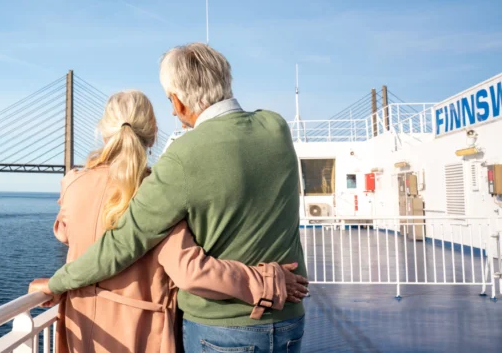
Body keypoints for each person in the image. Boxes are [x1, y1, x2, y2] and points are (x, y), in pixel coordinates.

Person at [30, 43, 308, 353]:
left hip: (221, 326)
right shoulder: (276, 126)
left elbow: (122, 243)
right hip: (289, 318)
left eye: (170, 101)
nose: (173, 112)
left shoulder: (182, 156)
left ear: (177, 100)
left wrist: (56, 283)